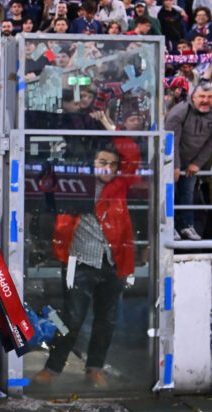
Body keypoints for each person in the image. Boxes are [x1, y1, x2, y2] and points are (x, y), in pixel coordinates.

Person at [34, 139, 140, 389]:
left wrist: (111, 129)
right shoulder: (76, 186)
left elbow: (133, 158)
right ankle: (52, 368)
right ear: (92, 164)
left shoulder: (119, 186)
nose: (107, 168)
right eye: (102, 162)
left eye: (113, 164)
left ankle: (94, 368)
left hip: (112, 262)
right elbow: (45, 187)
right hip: (78, 261)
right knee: (71, 318)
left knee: (106, 320)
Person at [166, 82, 212, 240]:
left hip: (192, 160)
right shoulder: (179, 112)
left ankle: (187, 225)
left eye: (210, 97)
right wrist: (174, 165)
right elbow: (171, 141)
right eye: (202, 96)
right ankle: (169, 226)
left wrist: (197, 163)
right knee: (169, 193)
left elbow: (211, 142)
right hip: (169, 159)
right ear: (193, 97)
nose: (206, 100)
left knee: (188, 193)